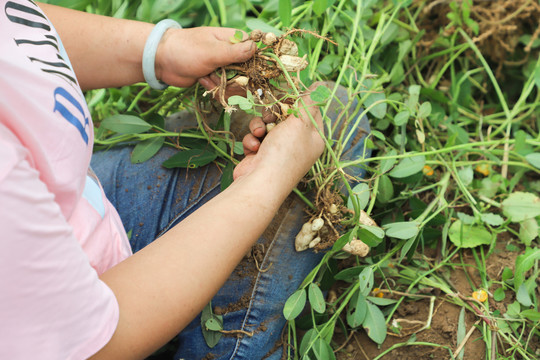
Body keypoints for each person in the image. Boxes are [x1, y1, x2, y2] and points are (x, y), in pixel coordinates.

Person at [0, 1, 369, 359]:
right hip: (95, 328)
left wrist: (162, 50)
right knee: (313, 156)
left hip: (78, 209)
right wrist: (265, 184)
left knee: (331, 117)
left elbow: (18, 28)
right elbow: (92, 344)